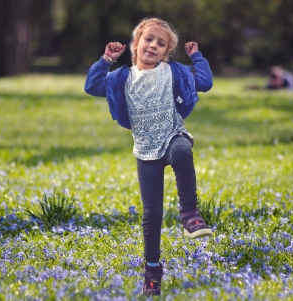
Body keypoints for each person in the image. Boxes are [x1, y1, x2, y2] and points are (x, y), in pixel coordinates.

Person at [84, 17, 213, 296]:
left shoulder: (174, 72)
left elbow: (205, 82)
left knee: (182, 151)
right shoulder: (122, 77)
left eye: (161, 43)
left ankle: (190, 214)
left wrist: (196, 56)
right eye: (149, 39)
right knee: (151, 214)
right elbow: (92, 87)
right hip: (145, 150)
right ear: (136, 44)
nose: (153, 45)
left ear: (166, 53)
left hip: (172, 135)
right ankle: (152, 271)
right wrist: (106, 59)